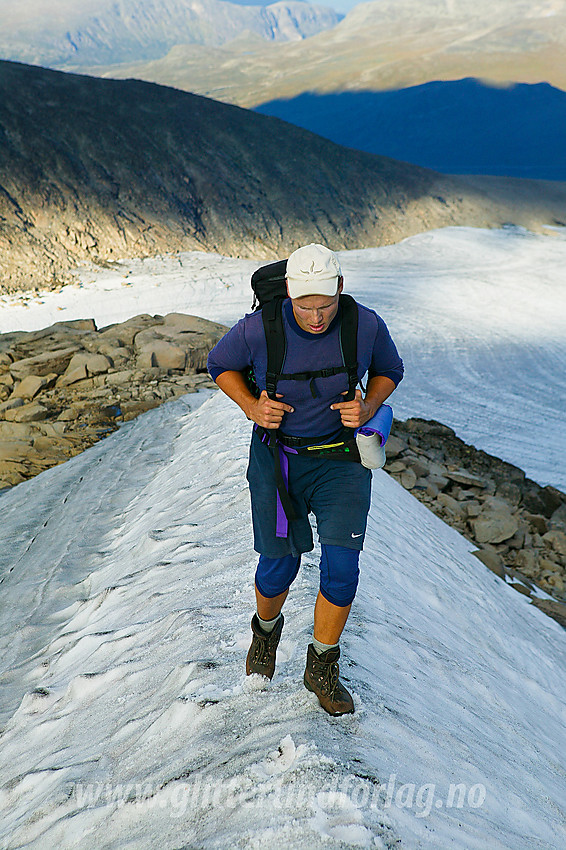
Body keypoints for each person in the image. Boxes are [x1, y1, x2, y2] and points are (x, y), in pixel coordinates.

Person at [207, 243, 403, 716]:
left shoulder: (364, 324)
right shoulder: (260, 328)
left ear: (340, 289)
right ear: (290, 294)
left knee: (342, 569)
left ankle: (321, 667)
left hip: (341, 461)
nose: (316, 317)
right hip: (279, 462)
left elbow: (389, 369)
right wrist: (252, 406)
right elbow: (219, 364)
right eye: (305, 306)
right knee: (279, 567)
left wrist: (369, 406)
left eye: (326, 305)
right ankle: (265, 634)